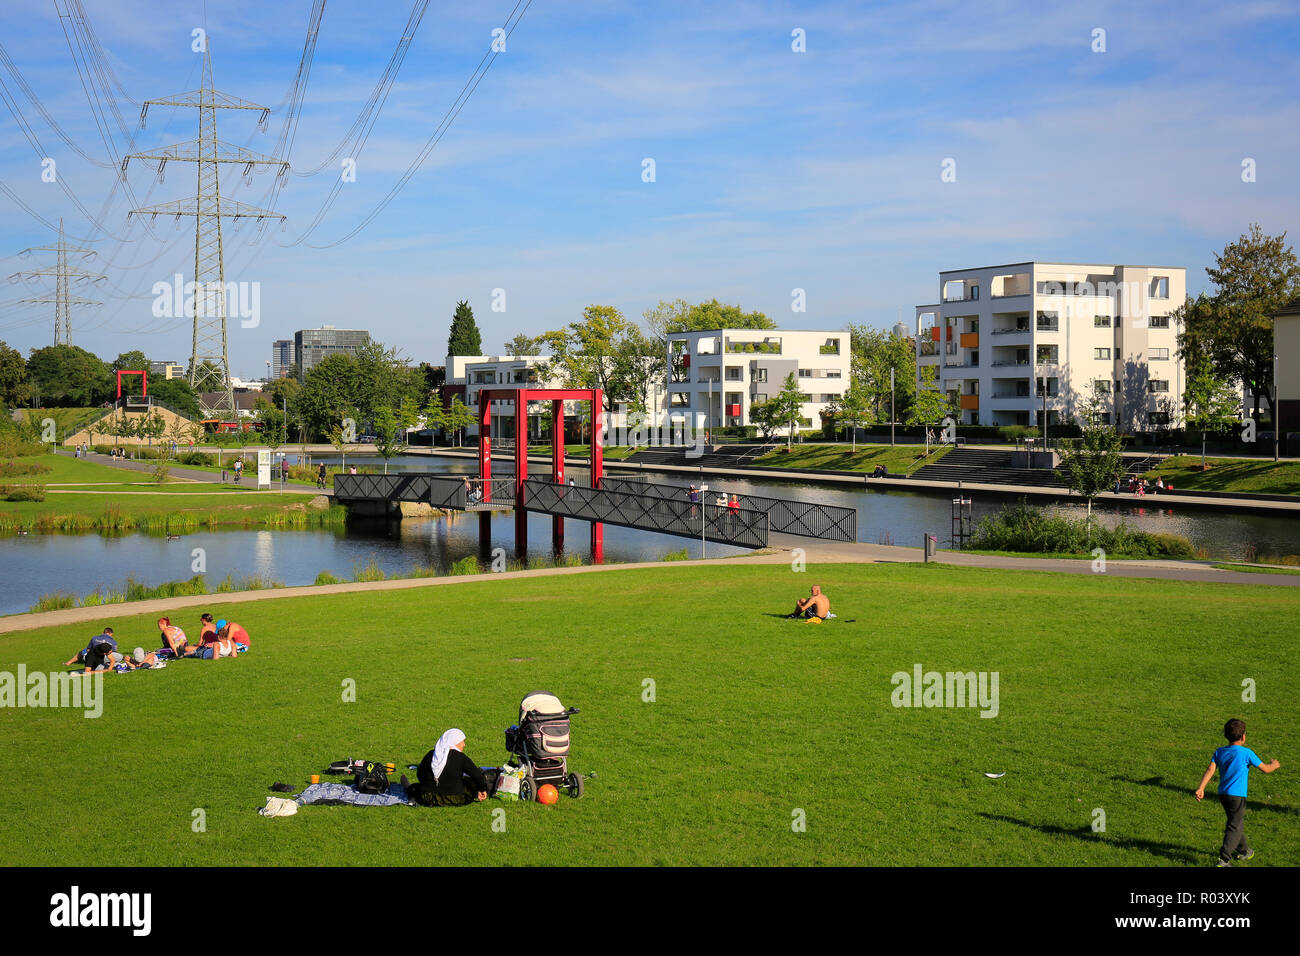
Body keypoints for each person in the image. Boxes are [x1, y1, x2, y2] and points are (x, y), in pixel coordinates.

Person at [1195, 718, 1280, 866]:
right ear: (1243, 737)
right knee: (1234, 825)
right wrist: (1274, 765)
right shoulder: (1246, 753)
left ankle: (1244, 851)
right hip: (1237, 796)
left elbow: (1210, 769)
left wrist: (1201, 787)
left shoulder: (1220, 752)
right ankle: (1224, 859)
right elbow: (1266, 769)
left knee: (1235, 822)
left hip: (1223, 795)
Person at [401, 729, 489, 807]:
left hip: (428, 798)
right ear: (455, 742)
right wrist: (482, 789)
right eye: (462, 741)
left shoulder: (431, 755)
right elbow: (477, 776)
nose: (464, 745)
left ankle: (410, 792)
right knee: (469, 783)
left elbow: (420, 775)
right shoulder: (460, 757)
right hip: (454, 798)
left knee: (416, 788)